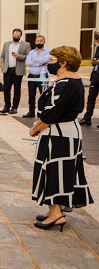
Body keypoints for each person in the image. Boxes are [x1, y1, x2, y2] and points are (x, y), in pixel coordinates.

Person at [29, 46, 93, 231]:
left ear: (64, 62)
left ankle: (56, 214)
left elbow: (53, 113)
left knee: (53, 173)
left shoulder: (66, 84)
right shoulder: (71, 81)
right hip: (64, 134)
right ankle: (55, 210)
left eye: (53, 60)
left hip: (58, 135)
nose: (50, 63)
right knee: (58, 172)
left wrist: (35, 128)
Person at [0, 29, 31, 115]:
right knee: (6, 88)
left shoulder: (26, 45)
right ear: (12, 35)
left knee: (17, 89)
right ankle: (7, 106)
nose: (16, 38)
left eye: (18, 36)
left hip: (18, 70)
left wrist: (19, 56)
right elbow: (2, 56)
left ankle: (14, 107)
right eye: (14, 36)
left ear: (21, 36)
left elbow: (29, 56)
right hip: (8, 69)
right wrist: (3, 66)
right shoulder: (6, 44)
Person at [24, 35, 51, 118]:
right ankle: (31, 111)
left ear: (44, 42)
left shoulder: (48, 51)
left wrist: (34, 60)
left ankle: (43, 111)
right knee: (31, 94)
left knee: (44, 94)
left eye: (41, 41)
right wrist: (39, 63)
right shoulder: (32, 52)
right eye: (37, 41)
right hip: (32, 75)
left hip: (42, 76)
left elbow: (46, 59)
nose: (39, 42)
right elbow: (28, 61)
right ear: (35, 42)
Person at [80, 33, 99, 126]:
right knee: (91, 97)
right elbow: (95, 60)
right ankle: (87, 118)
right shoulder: (98, 48)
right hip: (95, 75)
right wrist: (94, 62)